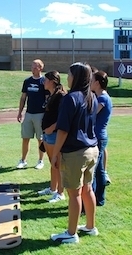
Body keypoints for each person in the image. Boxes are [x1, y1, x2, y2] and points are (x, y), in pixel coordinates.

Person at [50, 62, 99, 244]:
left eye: (69, 74)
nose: (67, 78)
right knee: (87, 189)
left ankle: (71, 234)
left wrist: (55, 154)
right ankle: (90, 226)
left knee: (74, 194)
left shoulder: (70, 99)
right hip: (92, 150)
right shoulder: (92, 97)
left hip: (75, 153)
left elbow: (62, 131)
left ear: (76, 77)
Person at [37, 71, 66, 203]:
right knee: (52, 163)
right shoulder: (51, 95)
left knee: (57, 164)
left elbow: (63, 117)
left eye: (46, 79)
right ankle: (52, 188)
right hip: (48, 135)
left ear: (52, 81)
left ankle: (60, 193)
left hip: (54, 134)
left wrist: (51, 128)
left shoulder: (61, 96)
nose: (43, 82)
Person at [17, 59, 47, 170]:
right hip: (29, 113)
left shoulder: (44, 81)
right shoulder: (27, 81)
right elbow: (23, 98)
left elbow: (48, 98)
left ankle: (40, 161)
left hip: (40, 114)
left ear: (40, 68)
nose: (33, 69)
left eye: (35, 67)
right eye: (32, 66)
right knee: (25, 138)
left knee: (40, 139)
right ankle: (23, 160)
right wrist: (20, 112)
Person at [90, 70, 112, 206]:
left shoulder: (102, 98)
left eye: (92, 80)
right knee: (99, 171)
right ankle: (99, 199)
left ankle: (90, 202)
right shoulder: (100, 96)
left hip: (98, 137)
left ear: (97, 83)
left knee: (92, 171)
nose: (90, 83)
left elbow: (91, 114)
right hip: (99, 136)